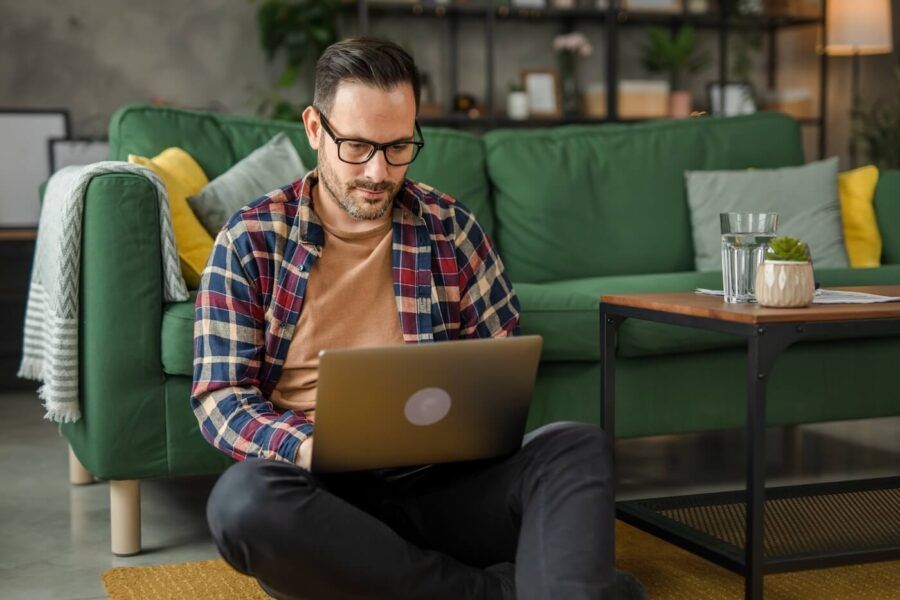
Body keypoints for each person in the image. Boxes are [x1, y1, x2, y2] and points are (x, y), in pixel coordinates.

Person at [192, 37, 644, 600]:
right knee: (243, 502)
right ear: (314, 129)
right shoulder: (251, 239)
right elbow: (221, 395)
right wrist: (306, 447)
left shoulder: (451, 227)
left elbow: (499, 366)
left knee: (576, 447)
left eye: (399, 146)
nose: (379, 172)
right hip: (328, 504)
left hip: (445, 487)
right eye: (356, 146)